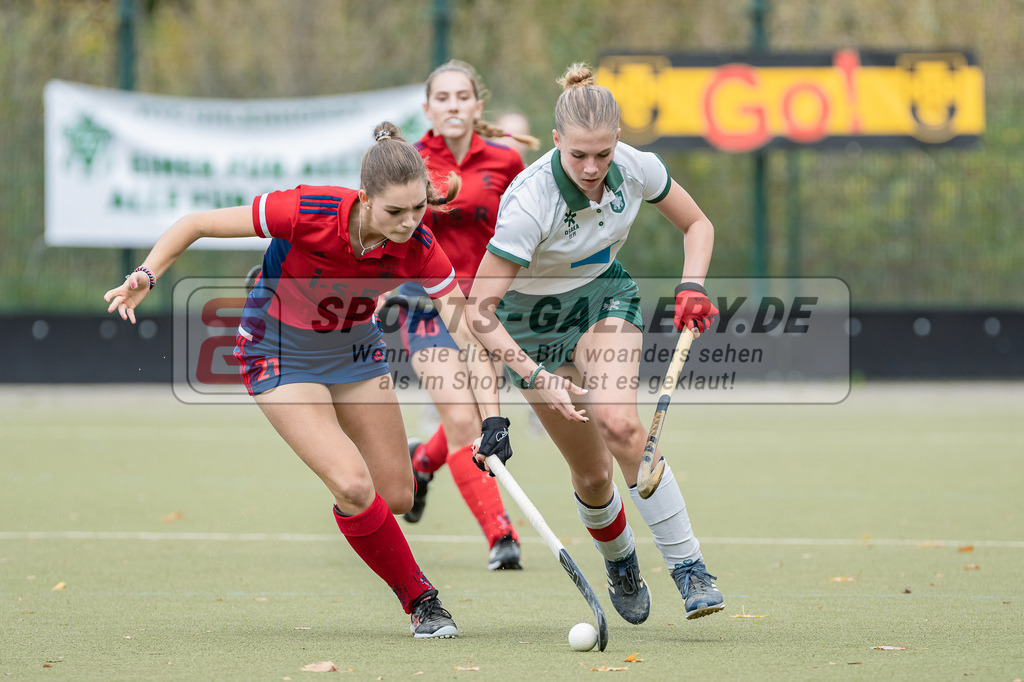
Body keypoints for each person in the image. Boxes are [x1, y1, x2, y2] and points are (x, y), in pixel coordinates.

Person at [103, 121, 514, 639]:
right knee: (352, 483)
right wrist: (146, 274)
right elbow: (196, 223)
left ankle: (372, 504)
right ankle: (422, 600)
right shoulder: (305, 210)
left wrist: (493, 415)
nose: (410, 222)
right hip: (277, 351)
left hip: (356, 351)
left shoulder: (421, 245)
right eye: (395, 212)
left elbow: (471, 332)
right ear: (365, 198)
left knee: (400, 497)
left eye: (418, 209)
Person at [465, 63, 725, 624]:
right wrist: (534, 376)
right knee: (593, 475)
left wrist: (692, 285)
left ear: (618, 142)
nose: (590, 167)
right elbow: (479, 310)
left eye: (602, 154)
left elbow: (697, 225)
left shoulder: (636, 168)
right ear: (556, 141)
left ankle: (690, 568)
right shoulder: (529, 203)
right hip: (530, 329)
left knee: (621, 424)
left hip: (604, 299)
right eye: (578, 154)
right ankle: (621, 560)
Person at [392, 60, 539, 571]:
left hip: (485, 312)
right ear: (428, 108)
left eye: (462, 97)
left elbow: (530, 229)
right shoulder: (406, 162)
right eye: (443, 98)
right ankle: (501, 535)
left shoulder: (504, 160)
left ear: (478, 106)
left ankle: (421, 461)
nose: (453, 106)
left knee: (478, 416)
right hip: (423, 306)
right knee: (461, 418)